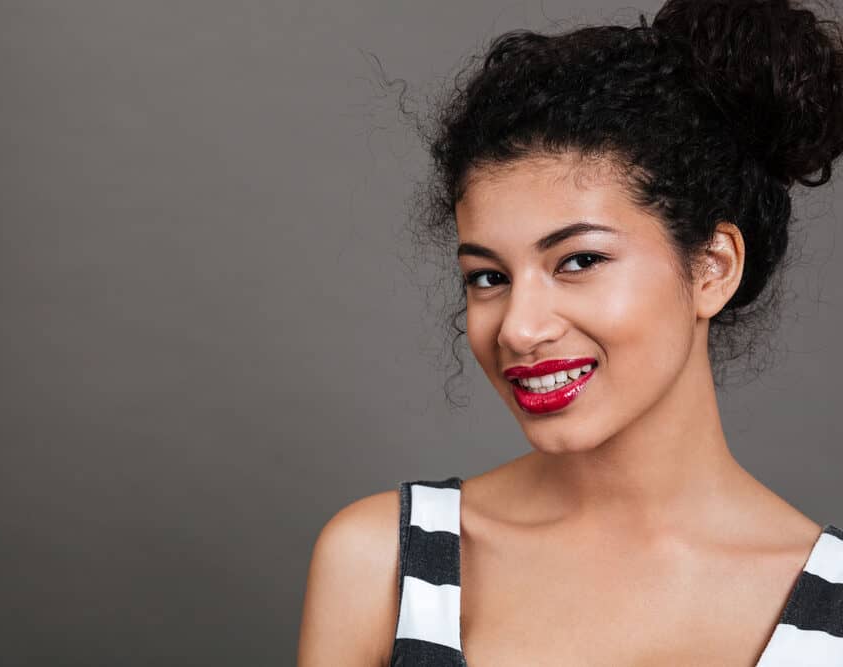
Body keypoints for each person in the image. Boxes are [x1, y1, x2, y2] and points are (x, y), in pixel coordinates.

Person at [297, 0, 843, 664]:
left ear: (711, 267)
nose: (521, 328)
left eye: (579, 261)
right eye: (488, 277)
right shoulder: (381, 561)